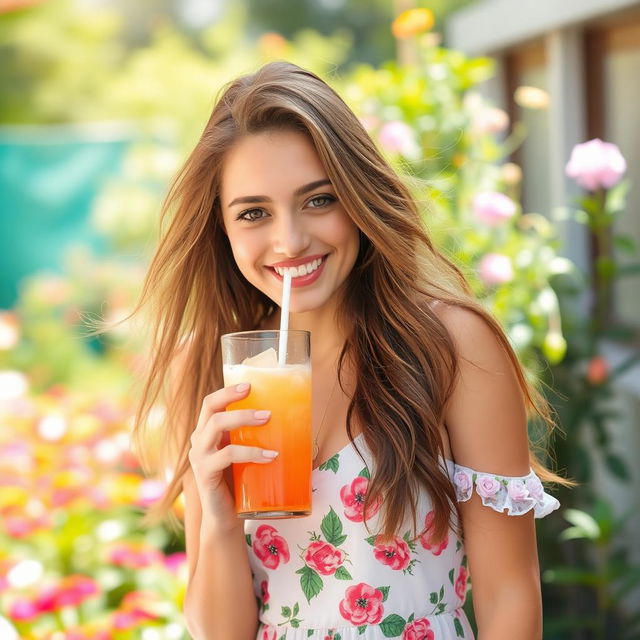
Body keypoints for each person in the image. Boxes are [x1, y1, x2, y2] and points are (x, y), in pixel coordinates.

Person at [131, 61, 565, 640]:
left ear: (357, 196)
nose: (290, 240)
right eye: (254, 213)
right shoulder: (219, 367)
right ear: (223, 229)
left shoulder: (449, 346)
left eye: (318, 200)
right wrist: (215, 514)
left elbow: (509, 595)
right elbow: (222, 632)